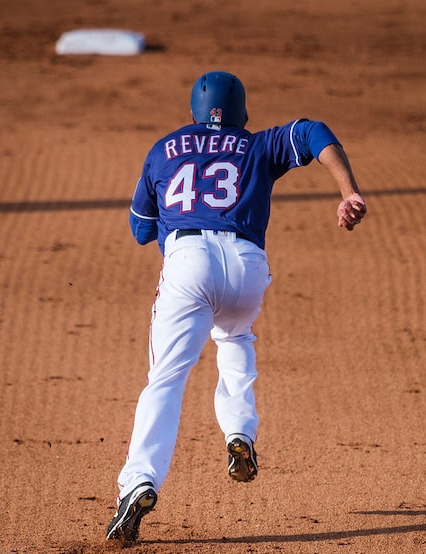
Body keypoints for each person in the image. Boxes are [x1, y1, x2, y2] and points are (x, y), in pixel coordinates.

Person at [106, 70, 367, 544]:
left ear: (192, 114)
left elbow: (141, 231)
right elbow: (314, 131)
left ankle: (138, 483)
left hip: (189, 262)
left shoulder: (163, 150)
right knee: (235, 335)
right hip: (247, 266)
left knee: (166, 378)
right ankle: (239, 432)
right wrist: (348, 191)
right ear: (243, 114)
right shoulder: (258, 145)